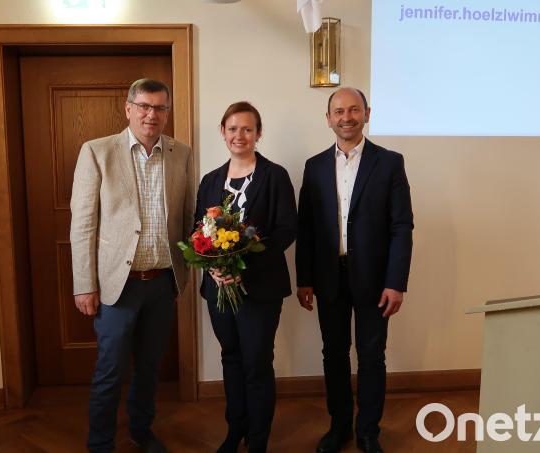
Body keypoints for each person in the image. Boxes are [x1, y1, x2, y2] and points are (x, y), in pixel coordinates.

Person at [70, 78, 195, 453]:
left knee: (149, 367)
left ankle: (142, 430)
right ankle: (100, 443)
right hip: (116, 285)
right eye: (143, 106)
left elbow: (187, 215)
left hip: (162, 282)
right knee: (109, 371)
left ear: (167, 113)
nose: (151, 114)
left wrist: (194, 265)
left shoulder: (181, 153)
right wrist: (84, 284)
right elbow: (83, 223)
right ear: (128, 109)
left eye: (159, 108)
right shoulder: (97, 151)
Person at [295, 88, 413, 453]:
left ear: (367, 113)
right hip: (328, 278)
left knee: (372, 357)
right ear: (328, 118)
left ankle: (368, 432)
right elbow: (307, 228)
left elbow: (401, 226)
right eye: (338, 111)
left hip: (376, 281)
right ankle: (340, 426)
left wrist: (396, 282)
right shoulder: (313, 166)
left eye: (354, 110)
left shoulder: (390, 162)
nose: (346, 117)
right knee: (334, 354)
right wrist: (305, 280)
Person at [195, 102, 298, 453]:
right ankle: (234, 428)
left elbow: (286, 230)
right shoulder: (210, 180)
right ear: (223, 132)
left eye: (247, 129)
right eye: (233, 128)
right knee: (231, 358)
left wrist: (242, 269)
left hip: (260, 287)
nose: (239, 135)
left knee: (256, 361)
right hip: (218, 288)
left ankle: (257, 439)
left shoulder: (275, 176)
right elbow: (199, 232)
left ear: (258, 133)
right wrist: (211, 266)